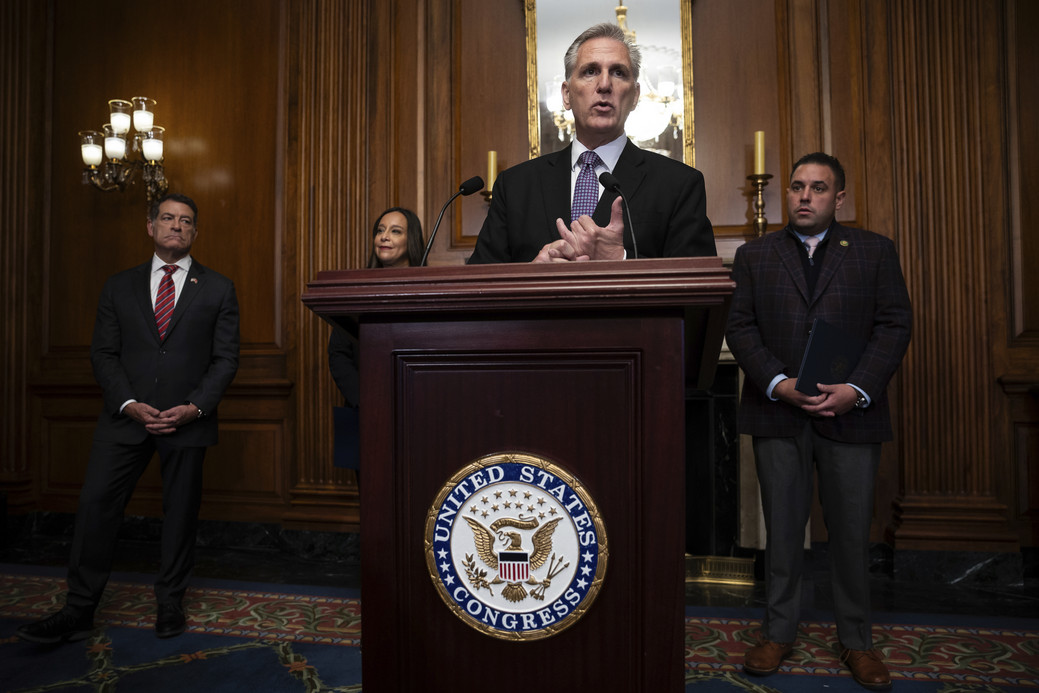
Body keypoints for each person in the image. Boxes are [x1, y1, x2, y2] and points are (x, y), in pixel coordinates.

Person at [17, 193, 240, 643]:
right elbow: (103, 353)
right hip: (124, 418)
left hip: (187, 420)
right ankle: (79, 609)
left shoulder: (218, 288)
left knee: (180, 514)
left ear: (195, 232)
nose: (176, 226)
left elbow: (226, 359)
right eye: (168, 218)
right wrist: (128, 404)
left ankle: (170, 602)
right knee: (96, 506)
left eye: (186, 221)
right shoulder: (118, 286)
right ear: (150, 226)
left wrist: (195, 407)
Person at [725, 152, 911, 690]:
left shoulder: (874, 251)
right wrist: (777, 382)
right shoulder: (755, 256)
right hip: (777, 411)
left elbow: (894, 325)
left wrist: (857, 390)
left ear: (839, 198)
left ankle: (856, 641)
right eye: (797, 187)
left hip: (851, 414)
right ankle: (777, 632)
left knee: (851, 533)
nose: (805, 196)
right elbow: (740, 327)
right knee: (782, 531)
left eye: (819, 188)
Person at [467, 22, 715, 264]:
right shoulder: (515, 186)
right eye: (590, 71)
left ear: (635, 96)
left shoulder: (679, 184)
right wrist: (532, 277)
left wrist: (620, 260)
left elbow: (698, 283)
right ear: (566, 95)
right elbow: (479, 285)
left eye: (618, 73)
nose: (604, 85)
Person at [328, 207, 424, 412]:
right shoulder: (356, 291)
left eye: (395, 231)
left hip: (418, 405)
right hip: (365, 409)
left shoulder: (427, 290)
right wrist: (365, 399)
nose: (384, 236)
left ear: (412, 240)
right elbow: (339, 354)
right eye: (380, 230)